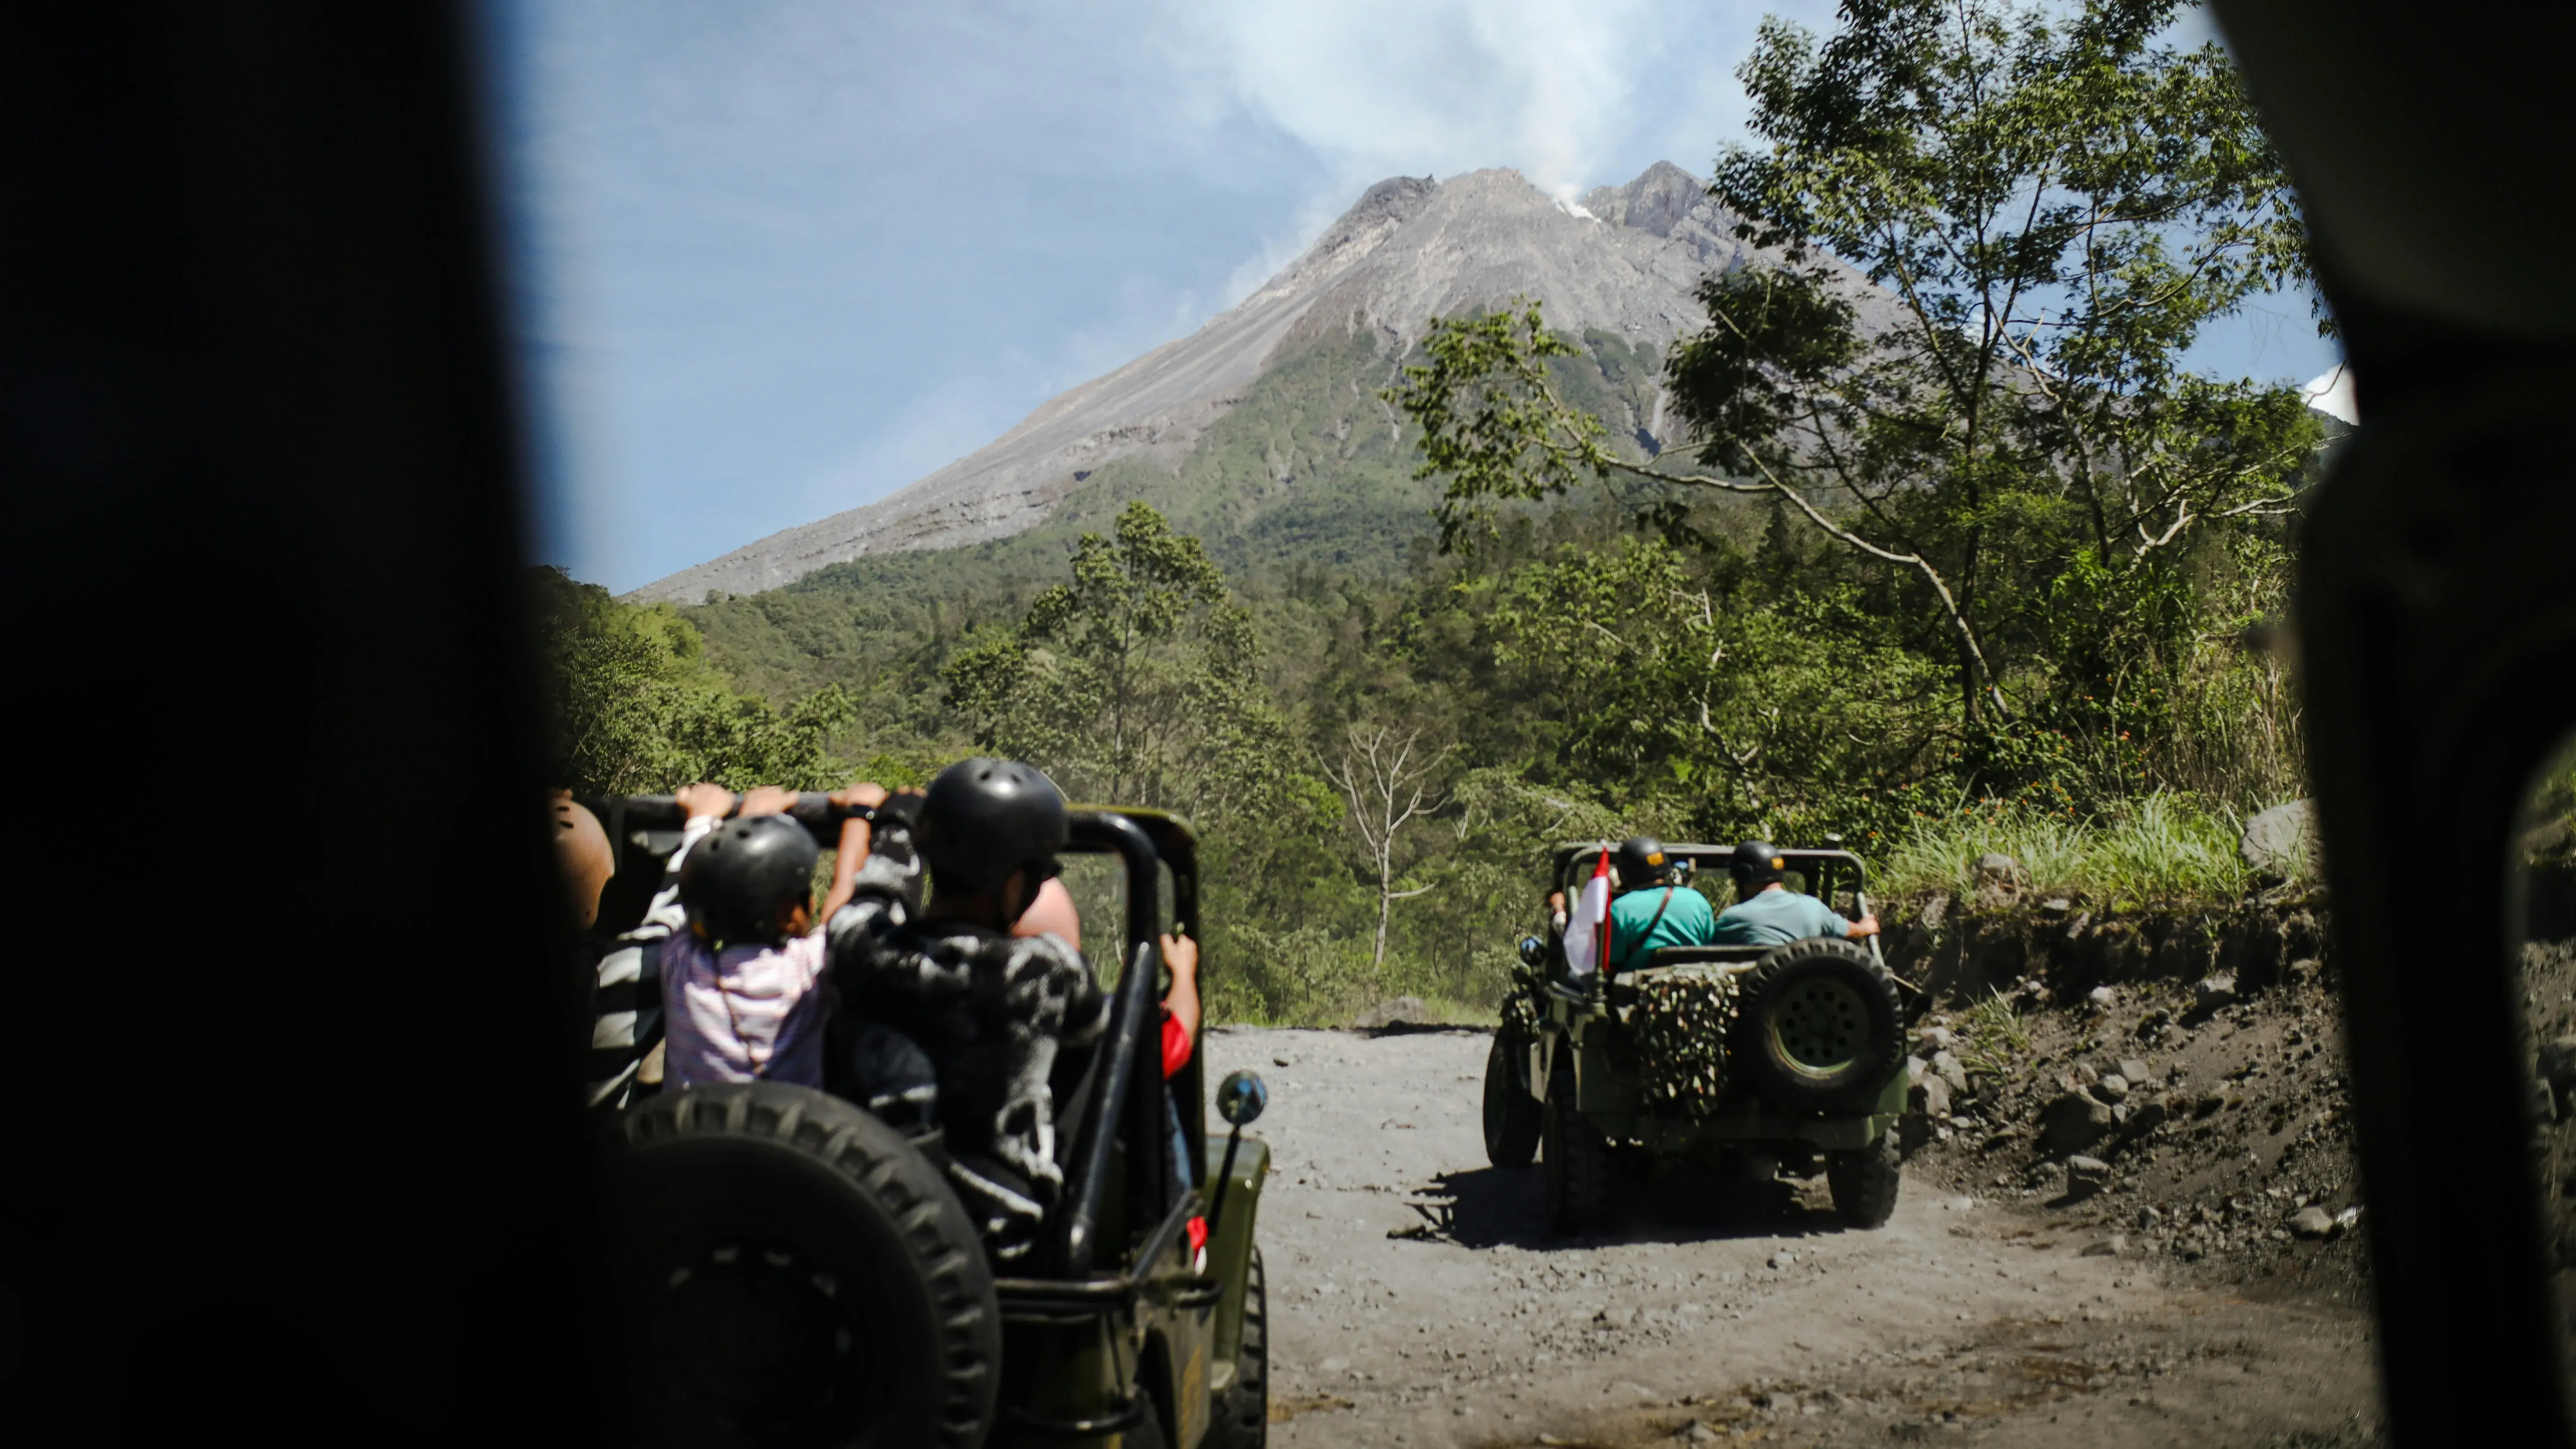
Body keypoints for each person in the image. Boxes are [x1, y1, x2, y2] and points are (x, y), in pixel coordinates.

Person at [825, 758, 1116, 1263]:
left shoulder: (860, 952)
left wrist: (897, 825)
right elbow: (1091, 1027)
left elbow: (871, 896)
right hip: (1001, 1239)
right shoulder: (1046, 971)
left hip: (868, 1227)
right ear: (1013, 885)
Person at [660, 783, 878, 1090]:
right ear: (789, 915)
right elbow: (843, 898)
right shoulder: (804, 972)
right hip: (786, 1133)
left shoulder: (681, 965)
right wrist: (860, 813)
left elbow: (700, 886)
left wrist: (725, 821)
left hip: (690, 1134)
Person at [1548, 836, 1718, 975]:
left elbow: (1607, 966)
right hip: (1692, 992)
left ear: (1623, 874)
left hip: (1634, 998)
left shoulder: (1620, 910)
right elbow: (1707, 949)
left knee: (1572, 977)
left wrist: (1560, 914)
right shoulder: (1699, 902)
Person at [1710, 839, 1881, 945]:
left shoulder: (1731, 920)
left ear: (1744, 878)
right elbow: (1846, 929)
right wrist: (1863, 927)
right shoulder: (1814, 907)